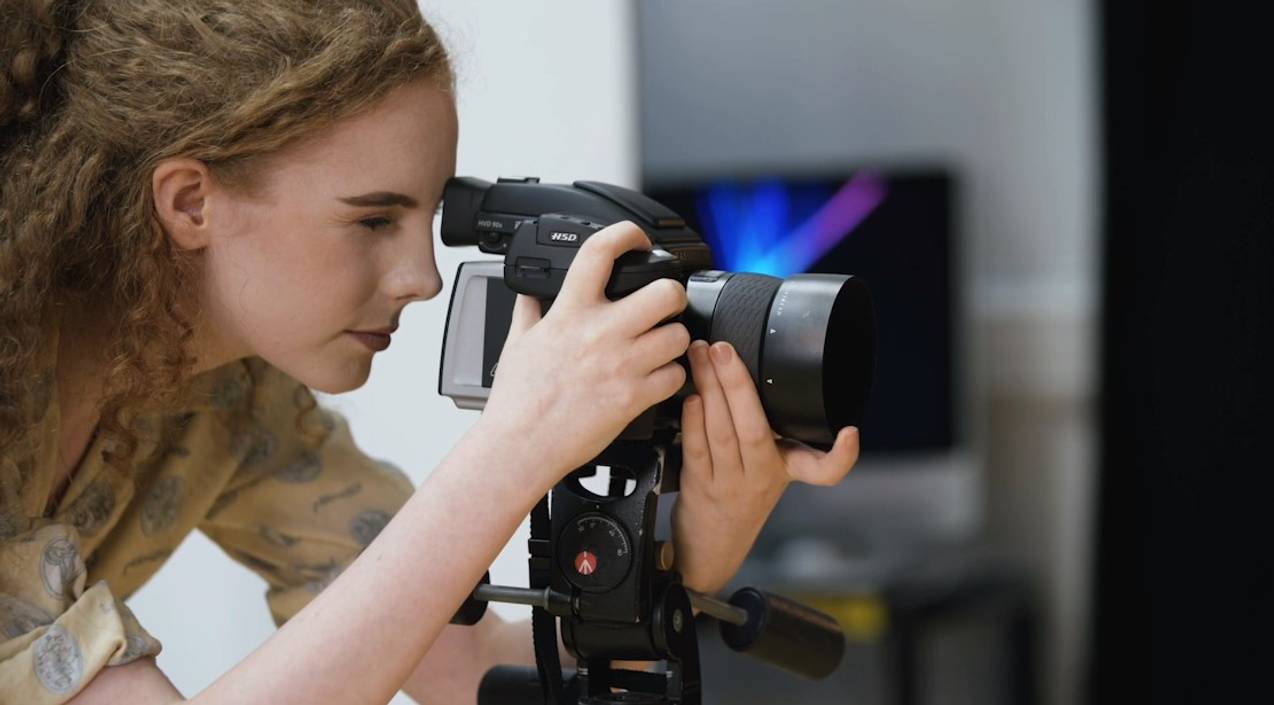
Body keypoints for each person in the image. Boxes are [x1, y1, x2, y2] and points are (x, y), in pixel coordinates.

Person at [0, 1, 862, 703]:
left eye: (427, 222)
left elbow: (467, 666)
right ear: (191, 202)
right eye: (372, 219)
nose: (421, 278)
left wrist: (693, 544)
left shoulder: (230, 406)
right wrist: (518, 447)